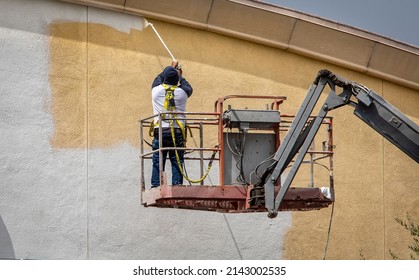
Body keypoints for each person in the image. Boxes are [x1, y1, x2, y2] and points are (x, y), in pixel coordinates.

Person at [150, 61, 193, 188]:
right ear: (176, 80)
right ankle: (177, 184)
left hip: (161, 131)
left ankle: (156, 184)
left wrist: (171, 69)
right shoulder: (183, 93)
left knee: (158, 158)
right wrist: (179, 74)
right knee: (177, 159)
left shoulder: (156, 91)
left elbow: (158, 79)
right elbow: (188, 87)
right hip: (177, 131)